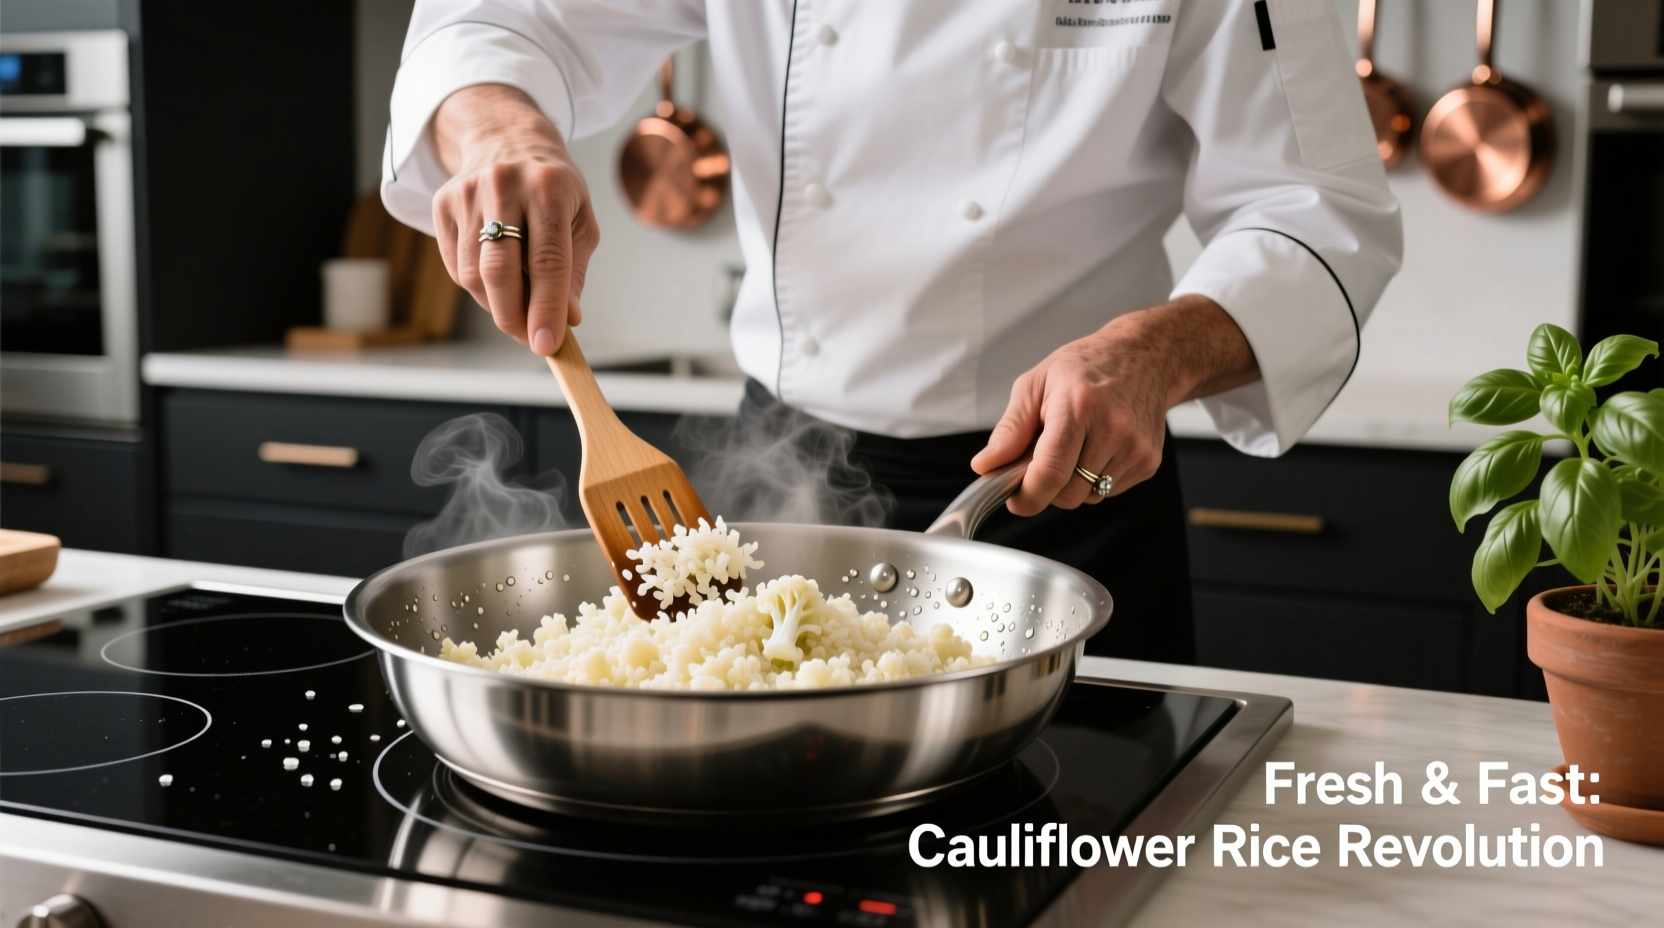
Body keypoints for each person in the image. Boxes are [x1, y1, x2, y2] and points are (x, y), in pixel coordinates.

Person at [380, 1, 1402, 664]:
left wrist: (1150, 353)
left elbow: (1316, 206)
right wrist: (500, 133)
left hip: (1059, 482)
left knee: (1074, 844)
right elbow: (501, 19)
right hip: (771, 477)